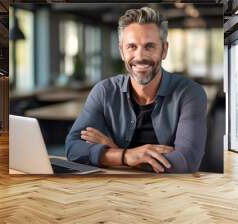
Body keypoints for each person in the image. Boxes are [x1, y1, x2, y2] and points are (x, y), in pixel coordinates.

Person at [65, 7, 207, 173]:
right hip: (114, 191)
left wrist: (114, 151)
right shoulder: (104, 91)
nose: (140, 56)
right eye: (131, 46)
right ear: (122, 51)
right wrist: (125, 156)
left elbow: (186, 162)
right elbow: (73, 148)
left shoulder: (190, 94)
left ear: (164, 50)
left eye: (150, 46)